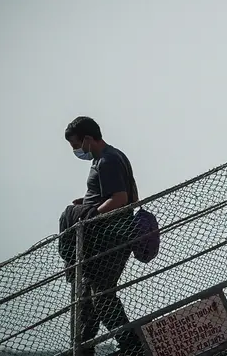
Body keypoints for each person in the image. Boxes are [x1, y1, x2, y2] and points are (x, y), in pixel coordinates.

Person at [60, 116, 144, 356]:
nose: (76, 150)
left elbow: (121, 198)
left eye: (76, 144)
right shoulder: (111, 157)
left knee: (101, 296)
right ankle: (84, 351)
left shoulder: (108, 160)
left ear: (88, 139)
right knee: (86, 301)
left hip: (110, 238)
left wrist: (90, 215)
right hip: (107, 237)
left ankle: (132, 346)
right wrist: (87, 202)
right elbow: (127, 195)